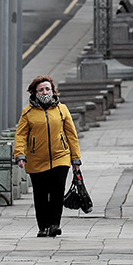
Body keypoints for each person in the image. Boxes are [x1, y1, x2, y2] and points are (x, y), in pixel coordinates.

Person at [13, 75, 82, 238]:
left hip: (60, 157)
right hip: (37, 159)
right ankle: (43, 226)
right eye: (41, 90)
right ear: (35, 93)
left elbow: (71, 134)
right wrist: (20, 155)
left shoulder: (61, 109)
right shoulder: (28, 113)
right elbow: (21, 135)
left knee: (58, 190)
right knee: (41, 193)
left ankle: (54, 224)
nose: (45, 92)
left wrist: (75, 158)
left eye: (47, 89)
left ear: (53, 91)